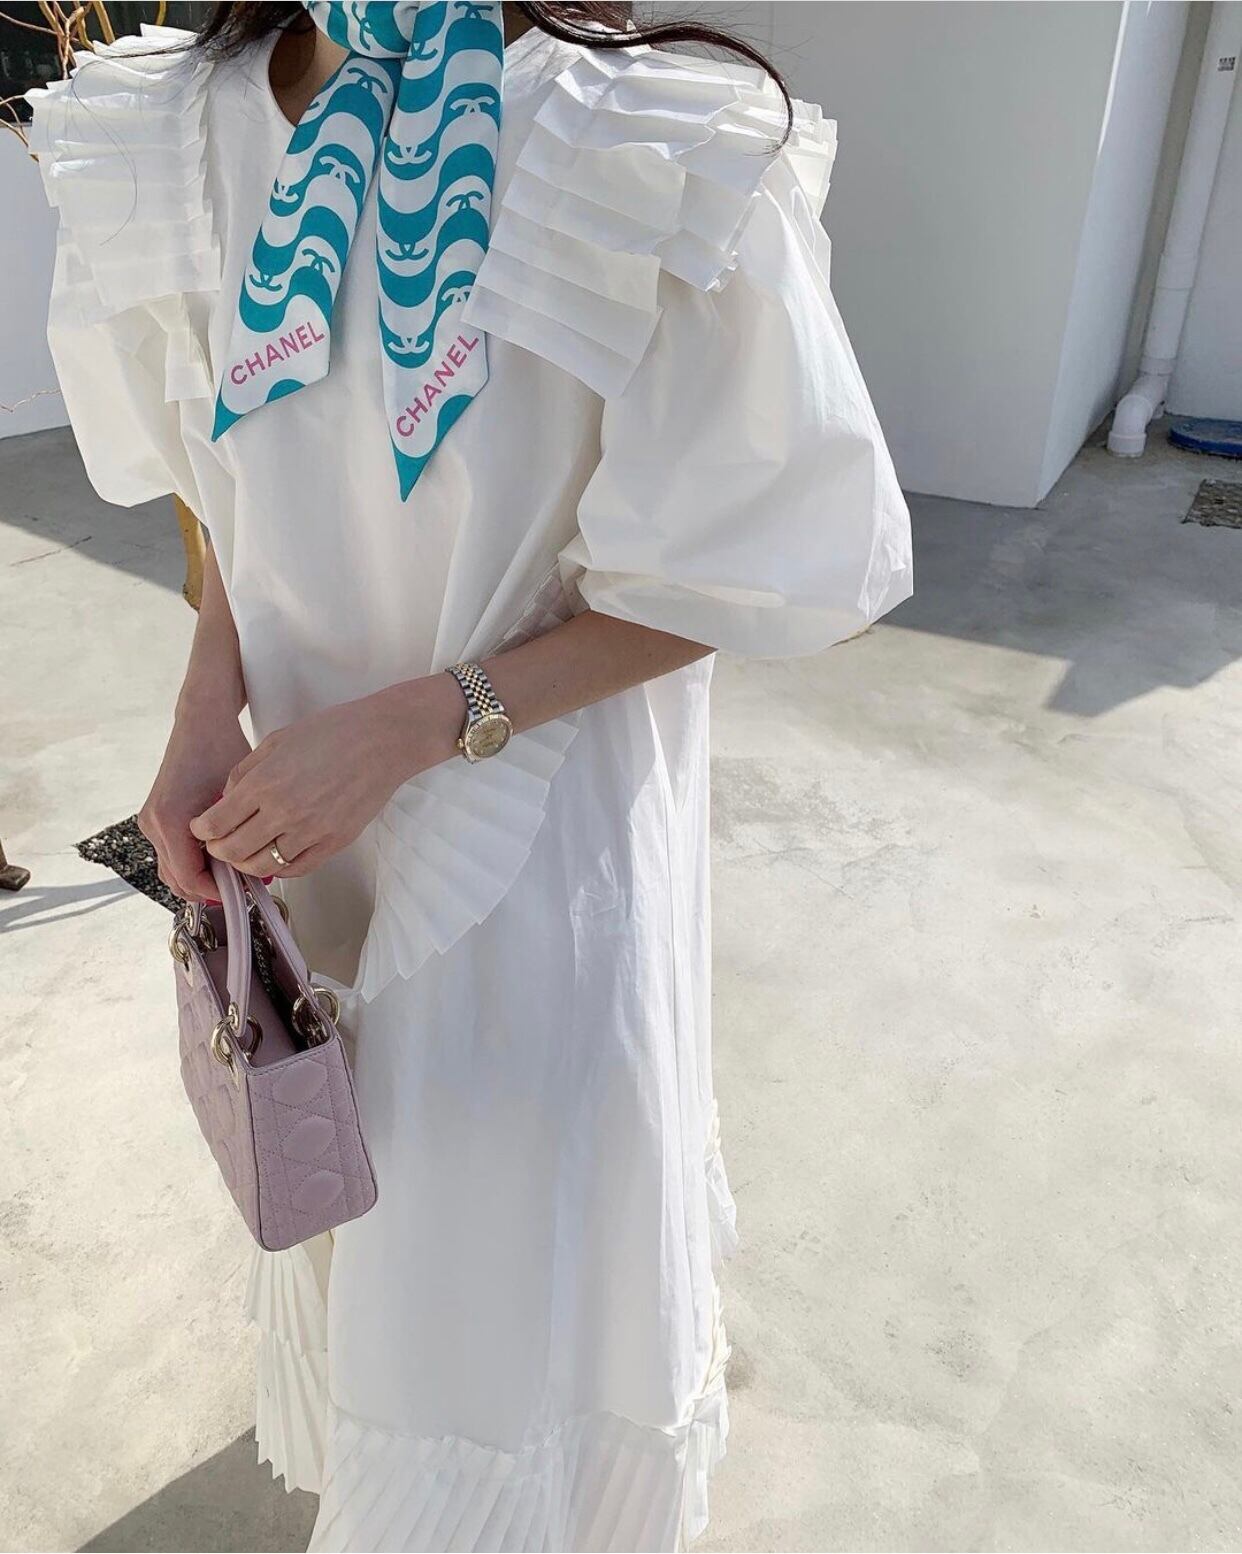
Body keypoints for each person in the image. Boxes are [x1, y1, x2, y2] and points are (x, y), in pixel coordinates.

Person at [27, 3, 912, 1548]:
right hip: (298, 834)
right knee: (356, 1216)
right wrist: (201, 709)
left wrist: (415, 727)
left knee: (500, 1282)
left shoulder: (636, 143)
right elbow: (239, 481)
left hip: (533, 840)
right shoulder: (179, 128)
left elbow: (737, 567)